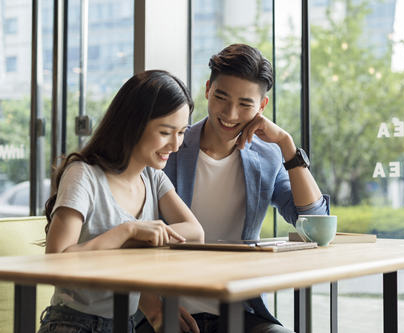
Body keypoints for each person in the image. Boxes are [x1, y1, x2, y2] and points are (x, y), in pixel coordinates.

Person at [137, 44, 330, 332]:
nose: (229, 113)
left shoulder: (267, 155)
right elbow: (127, 229)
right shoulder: (169, 148)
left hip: (242, 311)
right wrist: (154, 309)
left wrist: (287, 146)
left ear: (262, 107)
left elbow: (315, 224)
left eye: (245, 104)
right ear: (207, 90)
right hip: (168, 308)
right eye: (221, 97)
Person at [38, 70, 205, 333]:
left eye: (182, 132)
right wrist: (128, 230)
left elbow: (195, 232)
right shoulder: (83, 175)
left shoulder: (152, 178)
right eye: (165, 132)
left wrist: (155, 309)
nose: (175, 145)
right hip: (73, 323)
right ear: (133, 124)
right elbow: (56, 260)